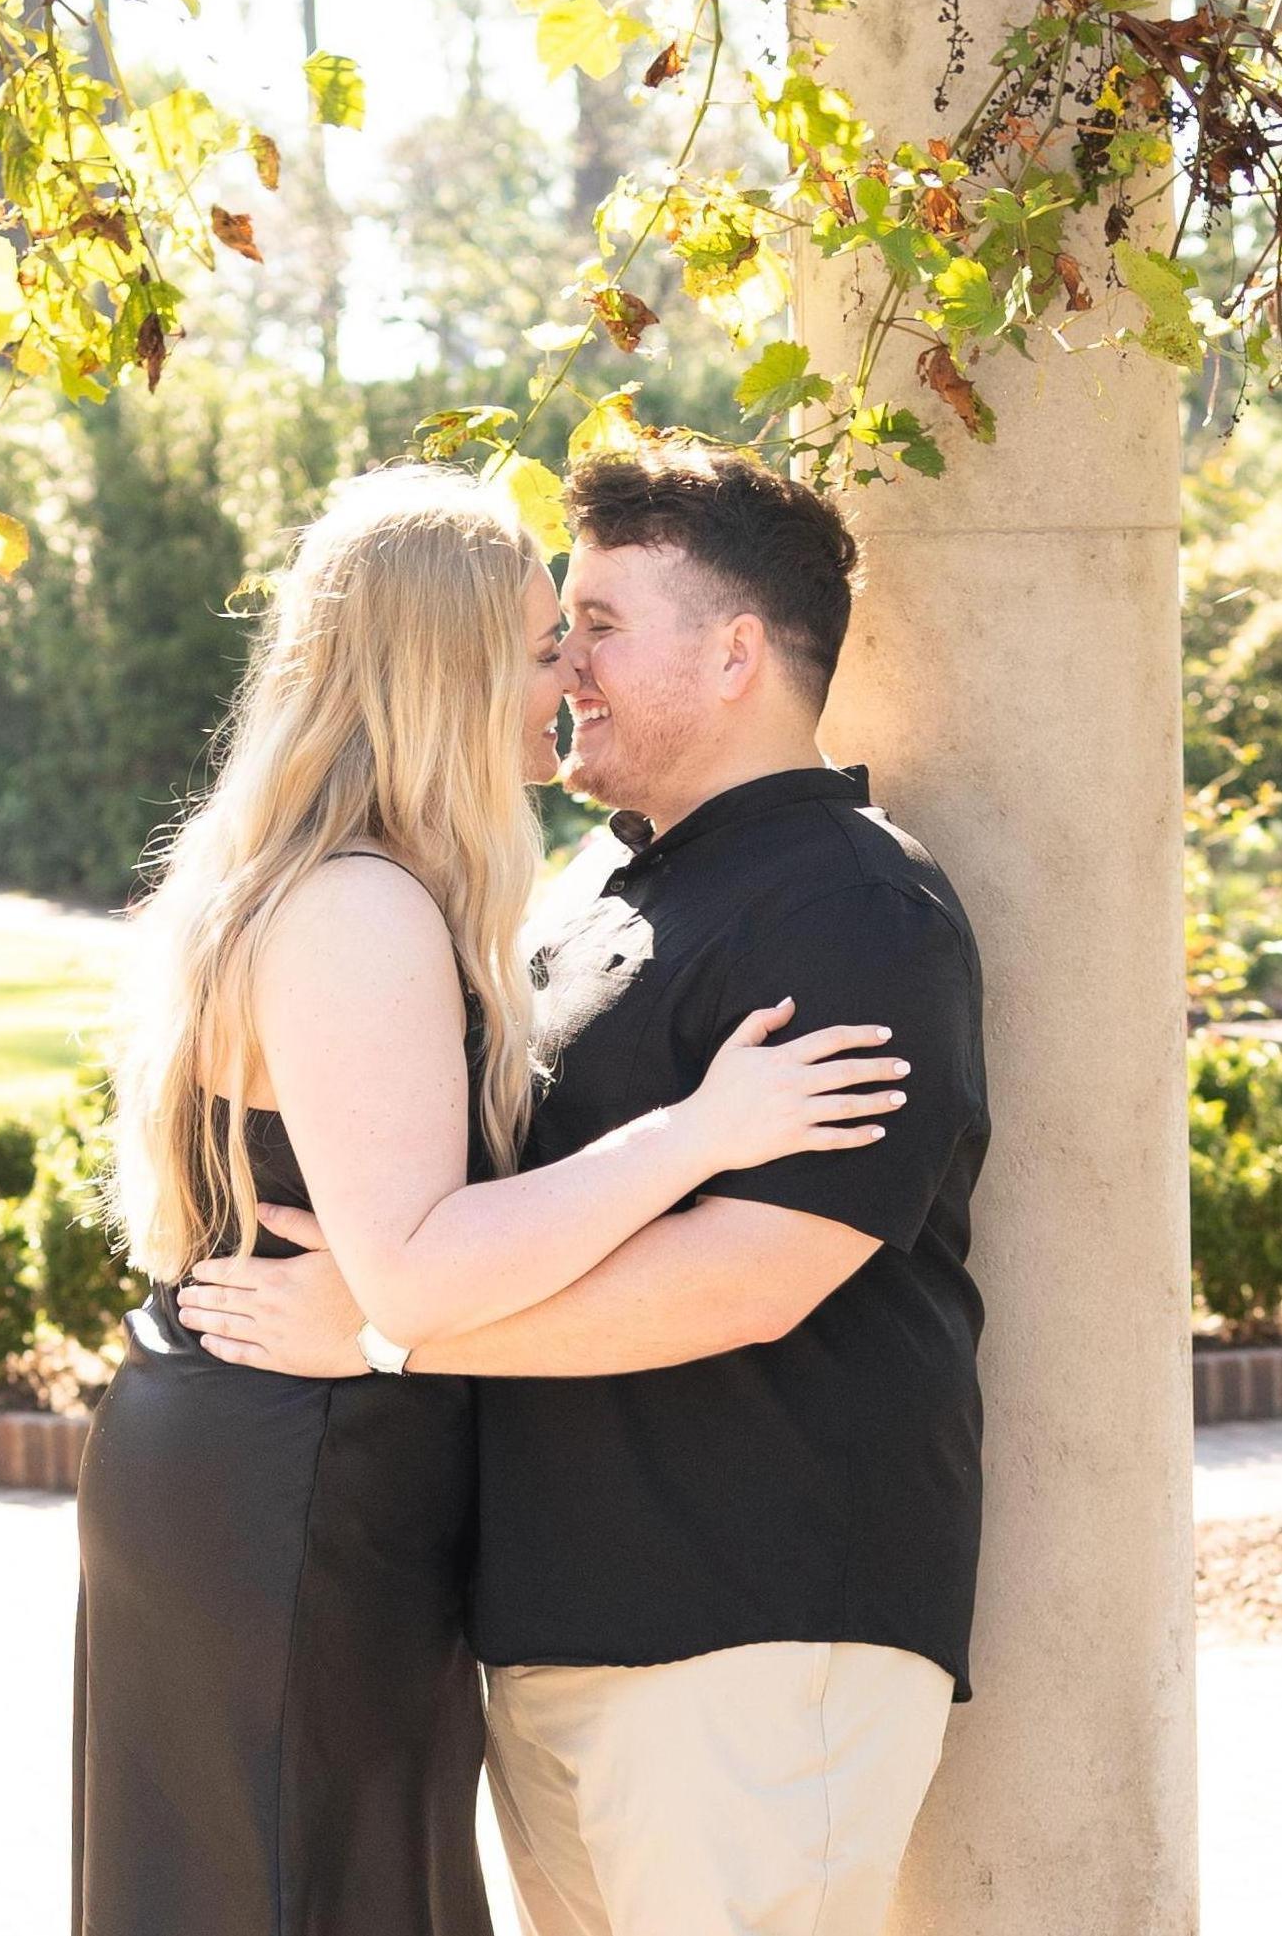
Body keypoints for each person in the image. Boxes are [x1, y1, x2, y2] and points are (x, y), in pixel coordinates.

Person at [74, 463, 913, 1936]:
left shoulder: (351, 881)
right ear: (441, 671)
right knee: (299, 1889)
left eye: (579, 635)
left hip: (300, 1463)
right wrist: (697, 1132)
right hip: (299, 1477)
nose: (567, 676)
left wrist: (382, 1327)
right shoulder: (357, 902)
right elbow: (412, 1270)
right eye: (542, 645)